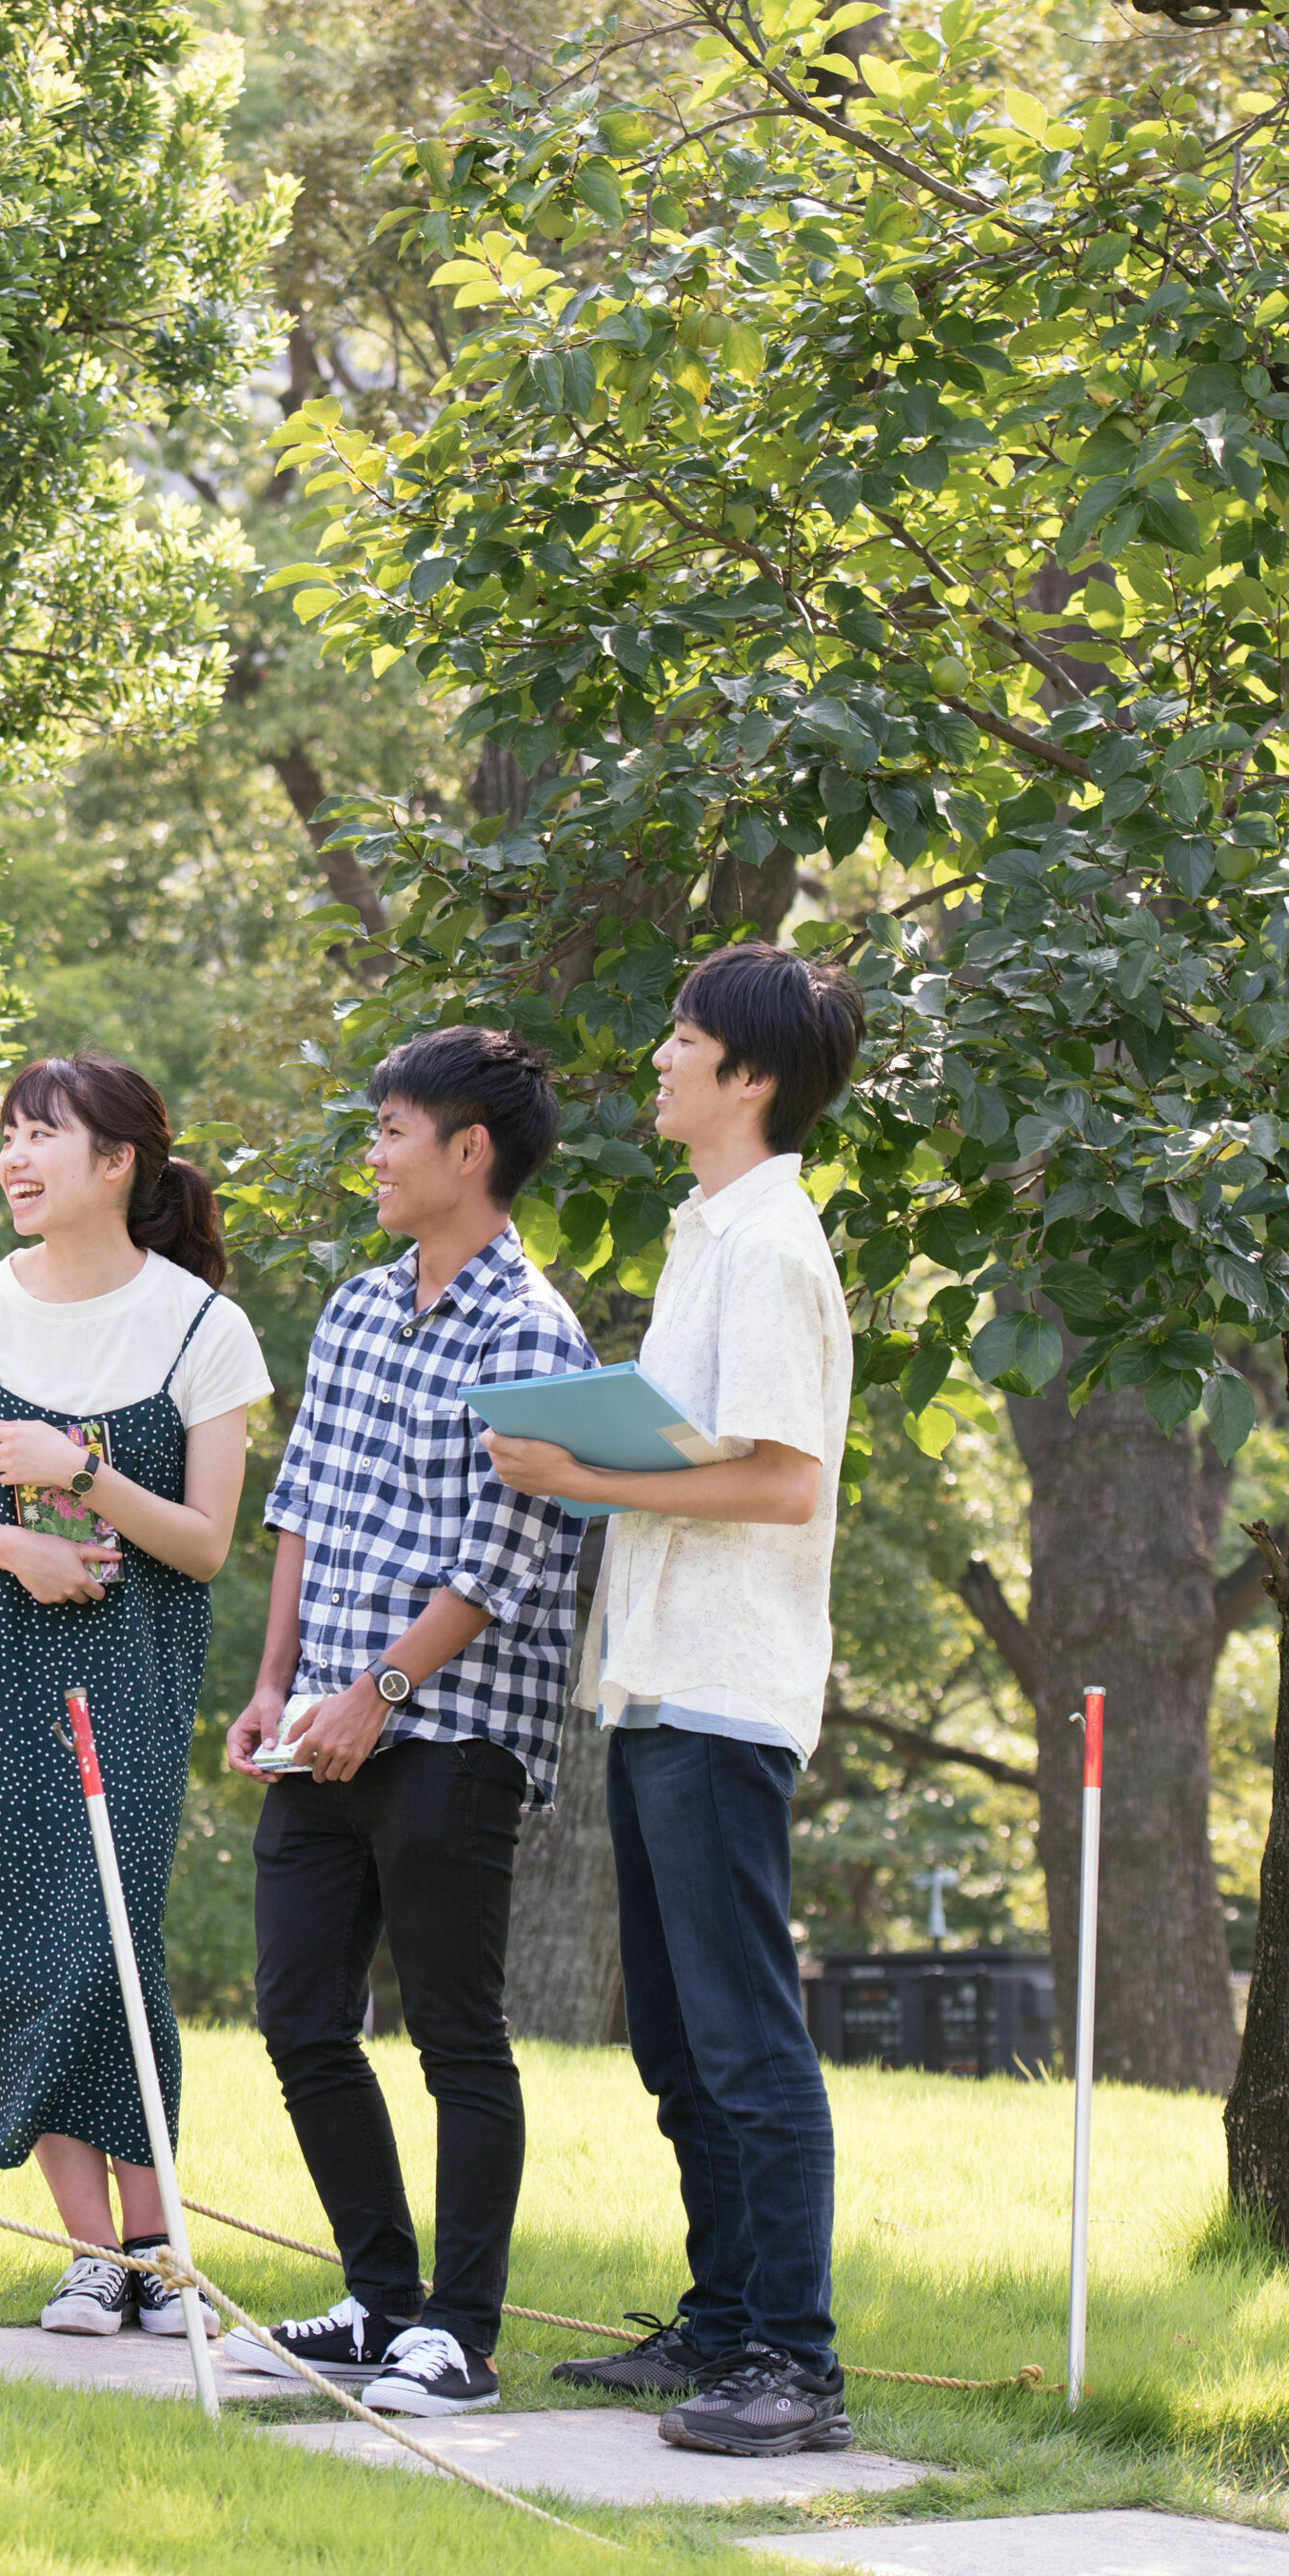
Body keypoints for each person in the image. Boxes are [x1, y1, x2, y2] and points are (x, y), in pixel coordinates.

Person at [478, 942, 863, 2457]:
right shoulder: (709, 1233)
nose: (657, 1056)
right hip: (650, 1680)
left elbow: (779, 1481)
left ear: (747, 1078)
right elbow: (707, 1456)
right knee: (679, 2042)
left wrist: (577, 1470)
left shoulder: (771, 1247)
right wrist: (600, 1468)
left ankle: (795, 2362)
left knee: (743, 2033)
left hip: (722, 1687)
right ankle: (720, 2327)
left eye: (682, 1037)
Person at [0, 1056, 270, 2335]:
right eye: (7, 1134)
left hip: (135, 1682)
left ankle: (157, 2249)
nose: (14, 1158)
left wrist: (77, 1477)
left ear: (117, 1164)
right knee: (20, 1944)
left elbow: (206, 1544)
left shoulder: (204, 1328)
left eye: (43, 1135)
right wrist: (22, 1548)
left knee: (108, 1945)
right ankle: (95, 2256)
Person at [222, 1029, 594, 2418]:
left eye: (391, 1130)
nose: (371, 1153)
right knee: (300, 2014)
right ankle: (378, 2300)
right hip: (318, 1725)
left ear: (468, 1152)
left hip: (448, 1734)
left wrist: (378, 1696)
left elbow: (501, 1561)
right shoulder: (354, 1310)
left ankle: (460, 2335)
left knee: (454, 2033)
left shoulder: (532, 1331)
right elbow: (302, 1505)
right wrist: (276, 1683)